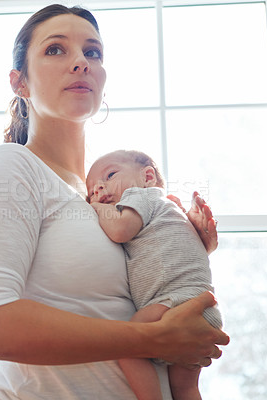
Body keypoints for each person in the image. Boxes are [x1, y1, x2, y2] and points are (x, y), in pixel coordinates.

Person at [0, 4, 229, 400]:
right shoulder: (13, 166)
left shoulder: (101, 195)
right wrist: (150, 339)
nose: (80, 62)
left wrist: (191, 242)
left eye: (93, 52)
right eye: (55, 50)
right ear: (20, 83)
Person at [86, 149, 223, 400]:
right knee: (185, 389)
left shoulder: (144, 197)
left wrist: (95, 207)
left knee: (127, 345)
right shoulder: (170, 211)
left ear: (148, 176)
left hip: (178, 301)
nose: (98, 189)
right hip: (200, 307)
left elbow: (120, 230)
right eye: (92, 189)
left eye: (110, 175)